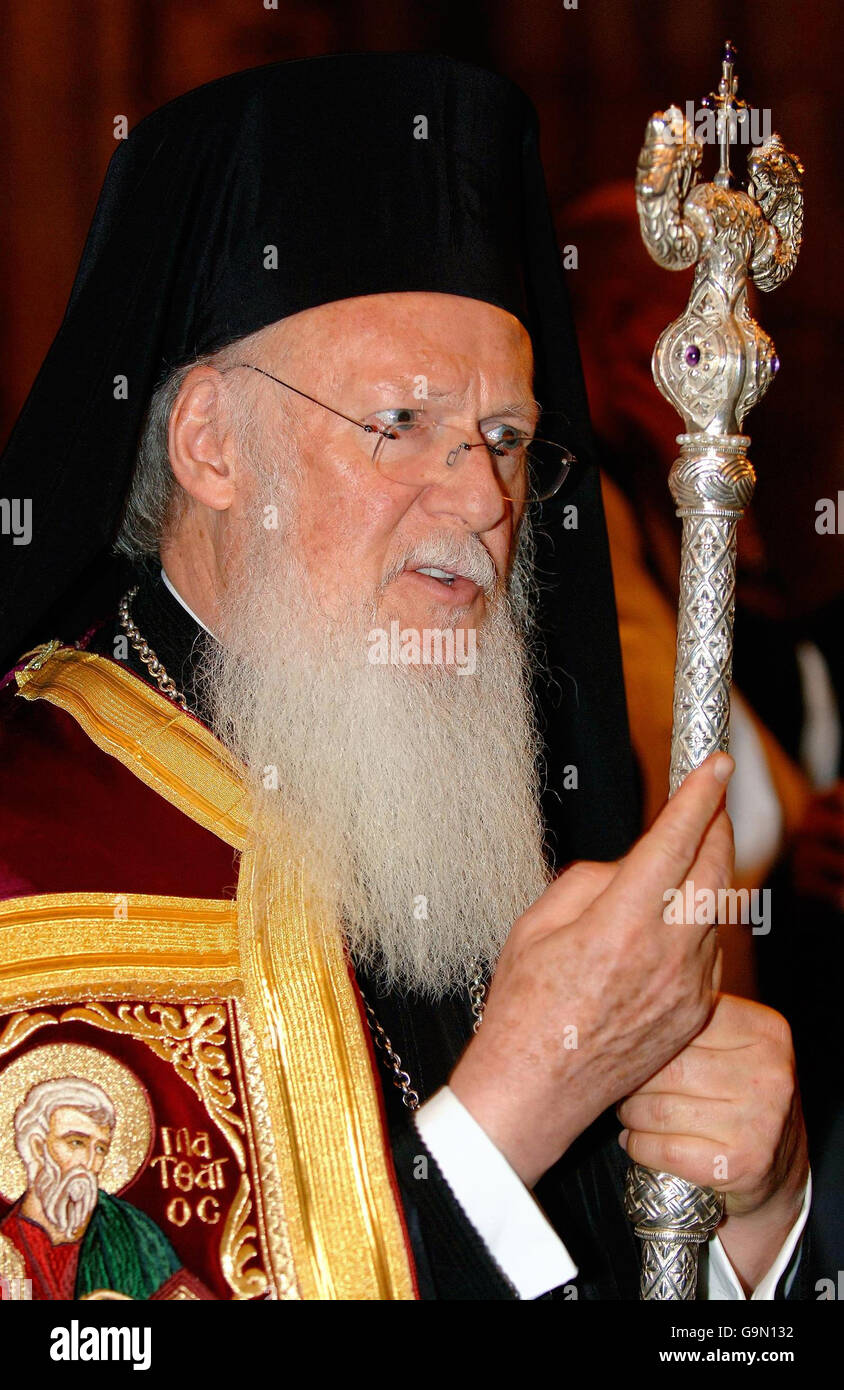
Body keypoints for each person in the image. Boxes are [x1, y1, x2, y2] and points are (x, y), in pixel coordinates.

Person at [0, 54, 812, 1300]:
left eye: (503, 441)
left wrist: (742, 1223)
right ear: (212, 443)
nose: (484, 498)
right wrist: (514, 1109)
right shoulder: (31, 854)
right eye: (402, 425)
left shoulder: (475, 811)